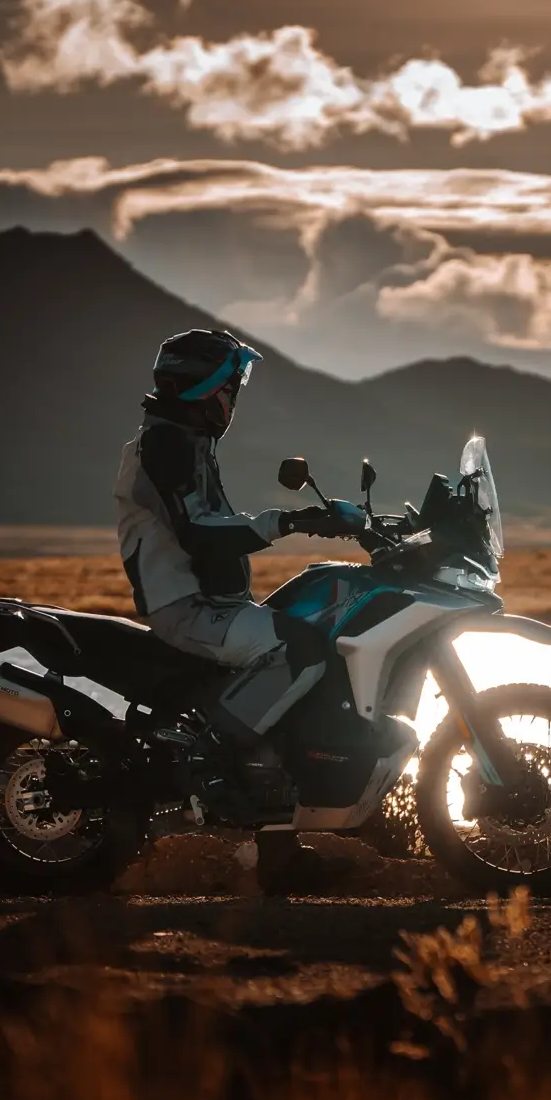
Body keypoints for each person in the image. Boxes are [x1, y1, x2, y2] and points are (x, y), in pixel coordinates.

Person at [114, 328, 362, 800]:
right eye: (230, 390)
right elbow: (198, 532)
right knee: (301, 650)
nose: (233, 401)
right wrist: (287, 522)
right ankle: (213, 758)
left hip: (211, 604)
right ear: (205, 389)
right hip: (187, 609)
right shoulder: (165, 447)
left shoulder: (185, 443)